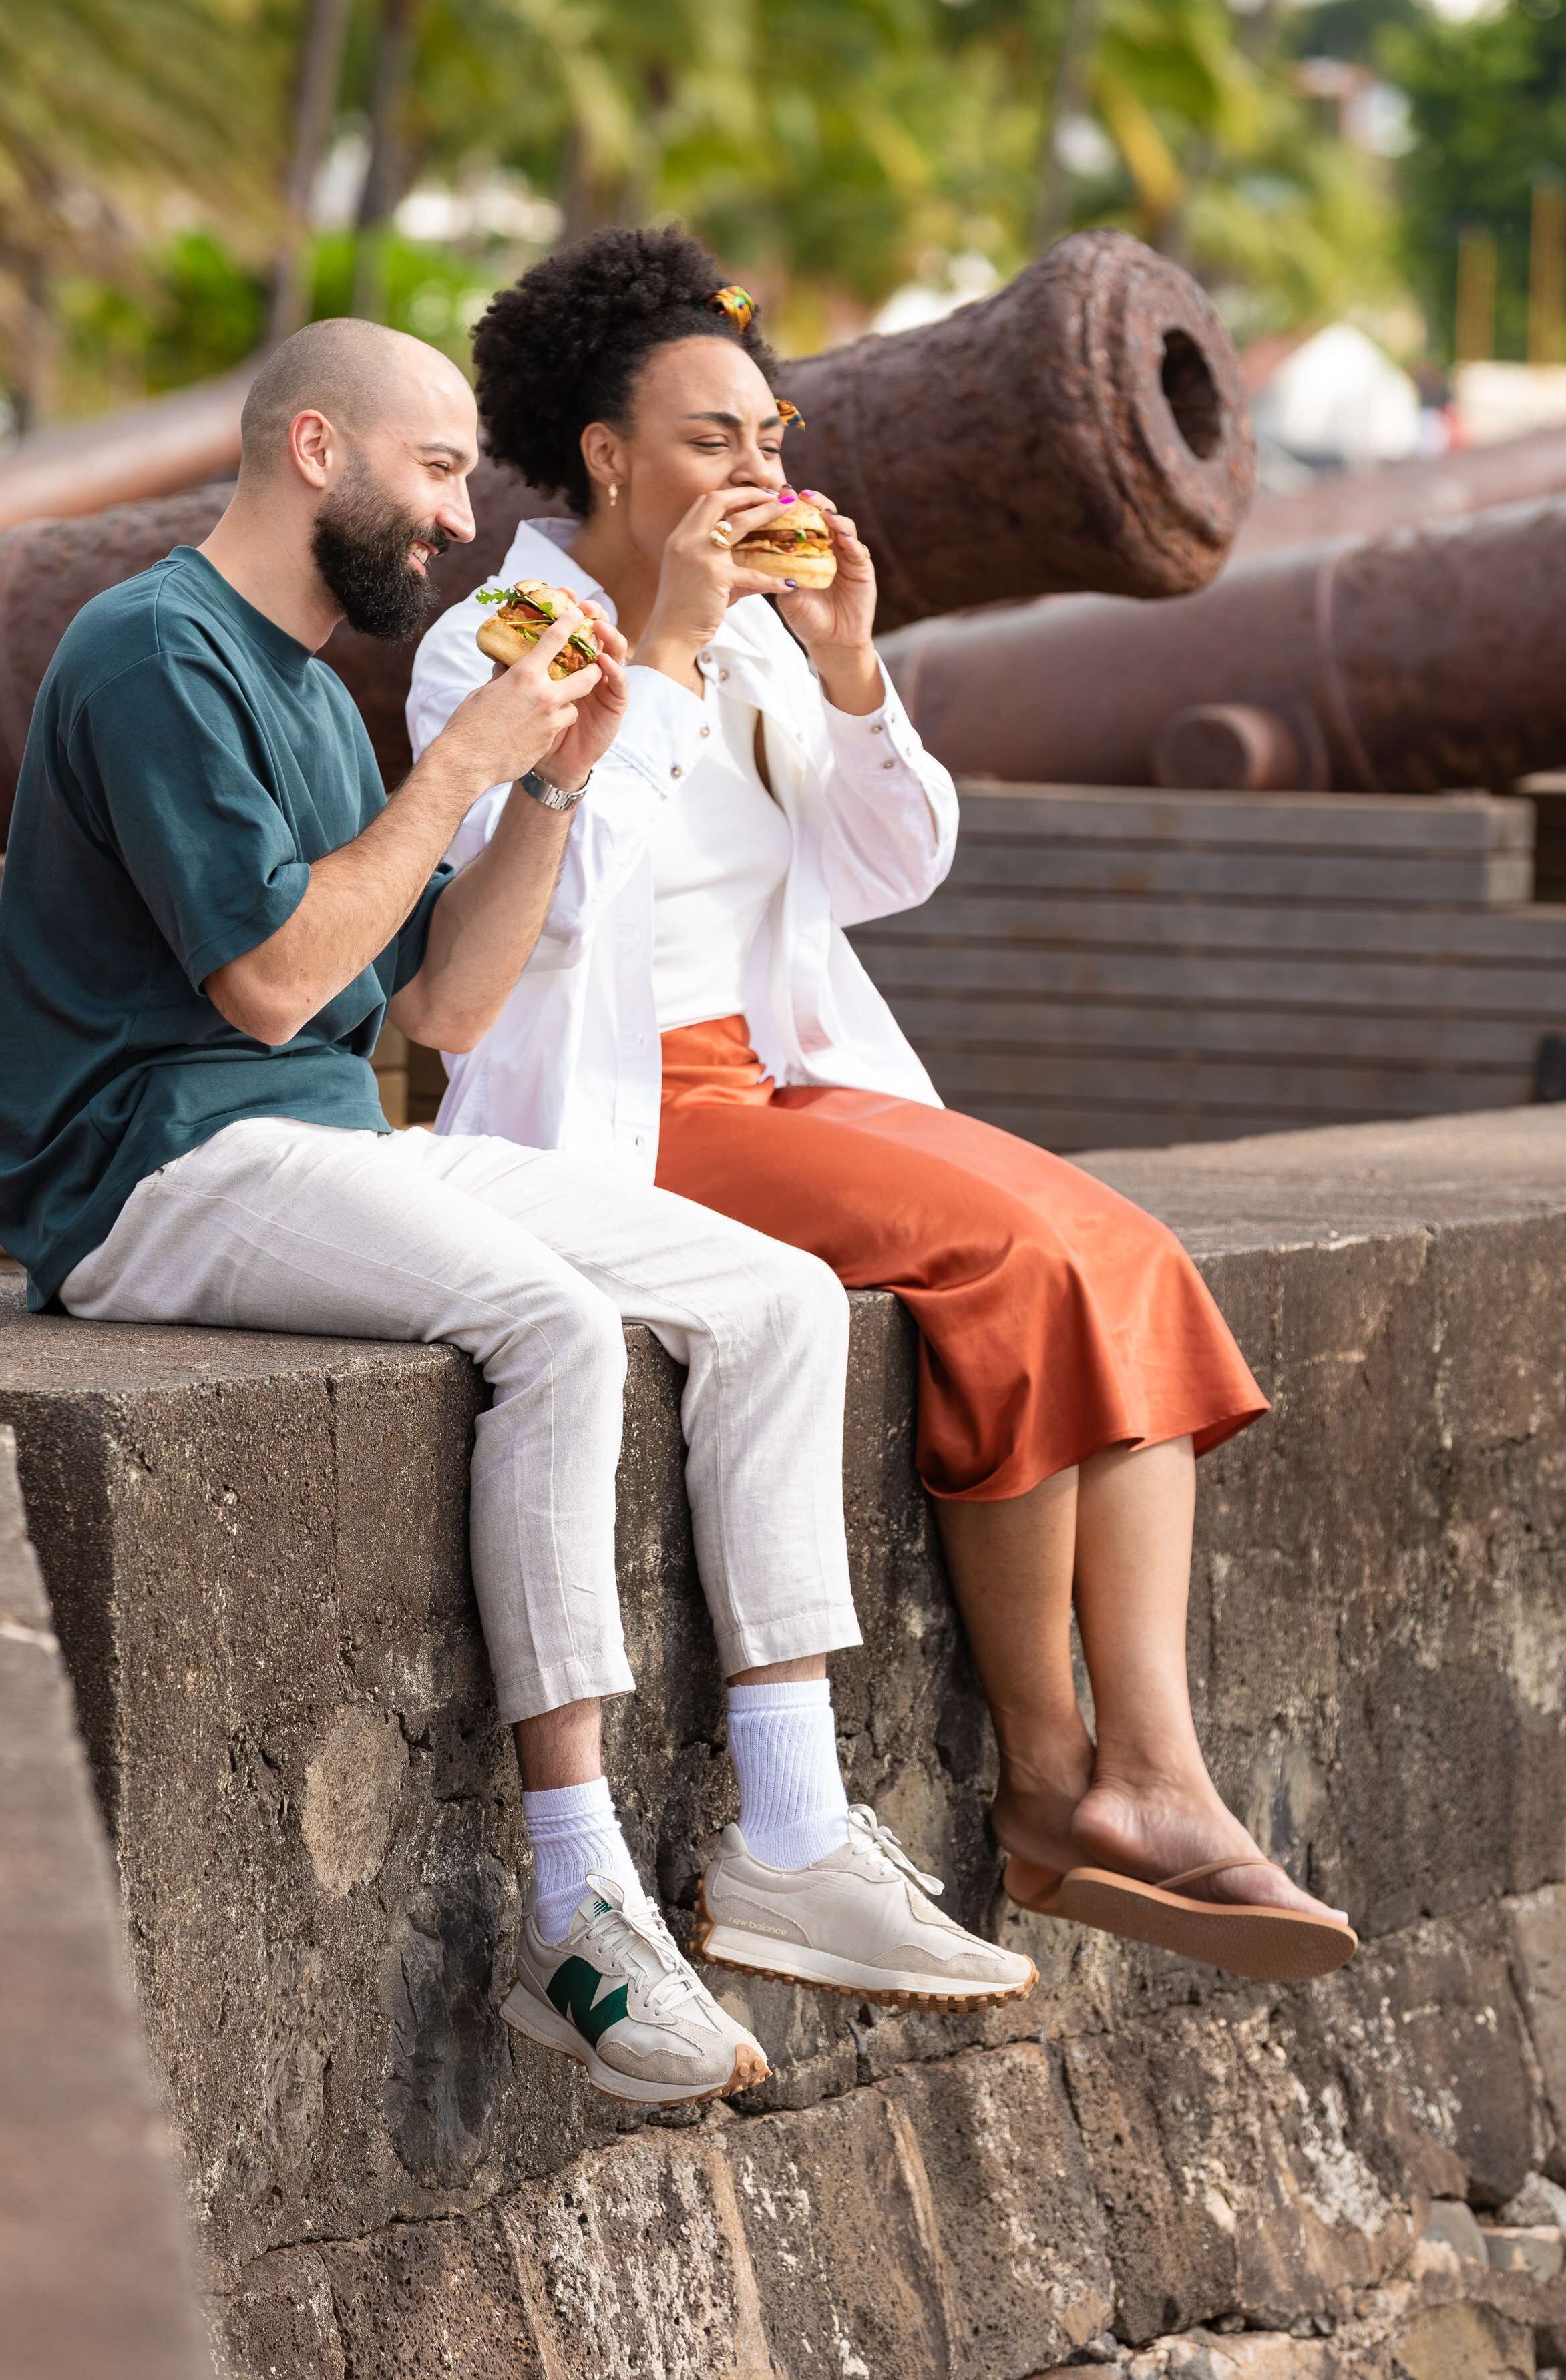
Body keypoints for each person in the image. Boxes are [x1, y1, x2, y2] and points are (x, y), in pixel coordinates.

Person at [0, 318, 1034, 2116]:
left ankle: (786, 1826)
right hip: (145, 1173)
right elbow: (267, 981)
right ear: (316, 447)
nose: (465, 524)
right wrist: (463, 763)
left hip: (321, 1146)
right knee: (550, 1325)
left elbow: (440, 1015)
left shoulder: (320, 689)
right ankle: (579, 1899)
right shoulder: (155, 651)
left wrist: (553, 772)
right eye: (440, 470)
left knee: (775, 1300)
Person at [406, 229, 1358, 1983]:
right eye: (714, 442)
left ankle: (1152, 1775)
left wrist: (848, 669)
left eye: (770, 438)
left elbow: (887, 867)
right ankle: (1059, 1783)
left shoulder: (769, 637)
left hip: (786, 1078)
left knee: (1123, 1248)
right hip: (629, 1110)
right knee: (1009, 1260)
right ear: (608, 455)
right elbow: (550, 925)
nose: (759, 472)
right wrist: (673, 652)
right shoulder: (505, 636)